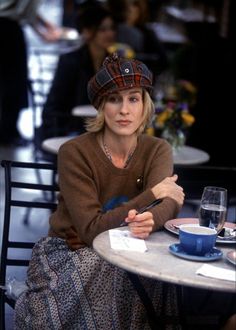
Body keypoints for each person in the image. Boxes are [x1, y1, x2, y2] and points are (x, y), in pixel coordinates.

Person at [14, 53, 185, 329]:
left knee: (145, 272)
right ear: (101, 106)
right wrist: (151, 195)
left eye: (133, 98)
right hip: (69, 251)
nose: (124, 110)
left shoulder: (157, 150)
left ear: (145, 105)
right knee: (107, 268)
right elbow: (91, 230)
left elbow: (169, 202)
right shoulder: (74, 152)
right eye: (114, 99)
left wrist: (154, 217)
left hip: (130, 246)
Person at [39, 3, 116, 142]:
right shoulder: (70, 61)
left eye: (111, 28)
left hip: (101, 129)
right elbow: (54, 107)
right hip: (69, 128)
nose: (110, 34)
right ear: (87, 32)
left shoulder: (113, 63)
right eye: (102, 30)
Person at [0, 0, 62, 145]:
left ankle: (7, 131)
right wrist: (43, 33)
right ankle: (8, 134)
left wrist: (45, 24)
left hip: (5, 26)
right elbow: (27, 11)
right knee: (13, 83)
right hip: (7, 29)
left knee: (8, 82)